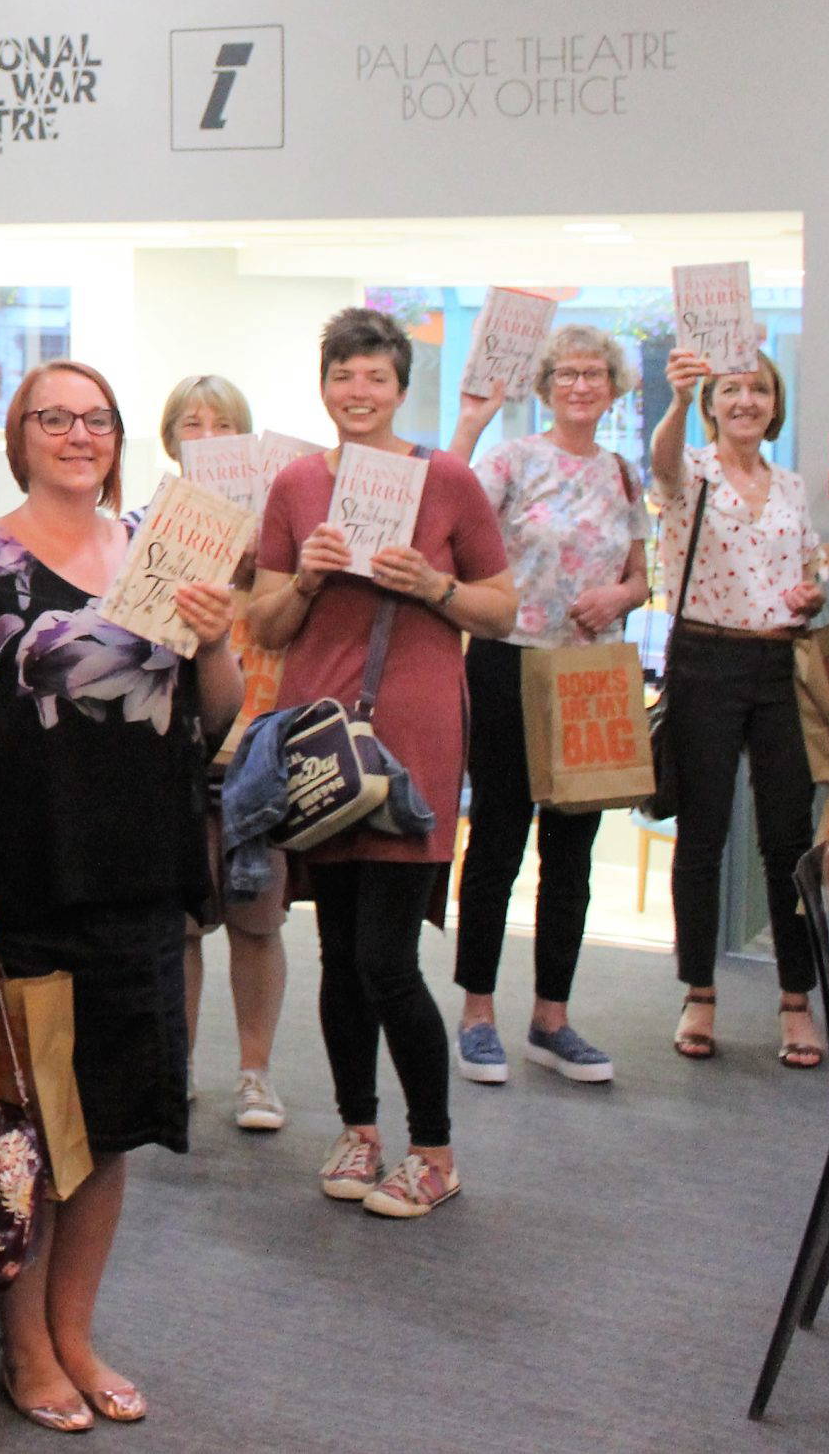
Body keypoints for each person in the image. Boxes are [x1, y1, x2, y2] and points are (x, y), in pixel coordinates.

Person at [0, 361, 241, 1429]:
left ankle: (75, 1327)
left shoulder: (158, 541)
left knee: (106, 1131)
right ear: (20, 436)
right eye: (54, 417)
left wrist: (221, 630)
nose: (78, 434)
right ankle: (23, 1348)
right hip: (23, 883)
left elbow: (216, 712)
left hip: (142, 877)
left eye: (96, 418)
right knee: (27, 1133)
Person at [248, 309, 516, 1220]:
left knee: (386, 957)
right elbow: (266, 624)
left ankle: (433, 1148)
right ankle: (360, 1129)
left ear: (401, 388)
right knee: (334, 954)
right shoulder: (292, 486)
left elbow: (501, 607)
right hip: (319, 741)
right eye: (343, 376)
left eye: (375, 377)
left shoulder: (446, 480)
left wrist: (432, 585)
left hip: (415, 740)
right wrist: (309, 578)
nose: (357, 393)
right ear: (322, 385)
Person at [442, 327, 648, 1087]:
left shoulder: (623, 473)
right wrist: (469, 421)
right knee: (497, 837)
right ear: (546, 383)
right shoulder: (515, 459)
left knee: (574, 850)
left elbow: (641, 573)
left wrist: (620, 595)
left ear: (614, 386)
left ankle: (552, 1017)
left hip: (587, 670)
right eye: (568, 373)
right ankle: (477, 1012)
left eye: (595, 373)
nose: (582, 385)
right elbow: (444, 509)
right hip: (507, 658)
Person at [650, 343, 826, 1070]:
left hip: (778, 659)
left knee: (788, 837)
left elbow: (809, 565)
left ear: (774, 402)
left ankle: (795, 999)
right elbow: (660, 461)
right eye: (730, 390)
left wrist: (811, 592)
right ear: (711, 404)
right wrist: (673, 398)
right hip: (705, 658)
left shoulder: (790, 485)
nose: (745, 400)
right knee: (703, 831)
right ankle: (699, 991)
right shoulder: (689, 470)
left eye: (758, 389)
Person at [143, 374, 298, 1133]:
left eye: (222, 423)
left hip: (259, 744)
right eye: (192, 422)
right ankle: (179, 1067)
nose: (206, 434)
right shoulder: (150, 522)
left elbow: (287, 621)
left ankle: (256, 1073)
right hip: (179, 744)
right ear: (172, 438)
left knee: (257, 914)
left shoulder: (281, 525)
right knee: (180, 922)